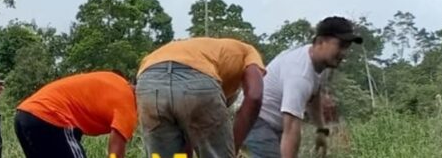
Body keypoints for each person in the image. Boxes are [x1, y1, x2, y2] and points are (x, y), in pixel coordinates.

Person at [243, 16, 363, 158]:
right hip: (257, 119)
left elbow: (314, 95)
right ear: (320, 41)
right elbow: (292, 128)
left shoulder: (320, 63)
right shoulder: (300, 74)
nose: (344, 53)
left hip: (275, 123)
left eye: (347, 47)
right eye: (340, 45)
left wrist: (321, 130)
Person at [135, 37, 266, 158]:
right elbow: (254, 96)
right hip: (197, 76)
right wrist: (233, 146)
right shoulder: (249, 52)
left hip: (149, 78)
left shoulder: (203, 50)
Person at [14, 71, 136, 158]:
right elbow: (116, 153)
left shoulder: (116, 81)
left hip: (23, 115)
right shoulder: (128, 103)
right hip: (51, 117)